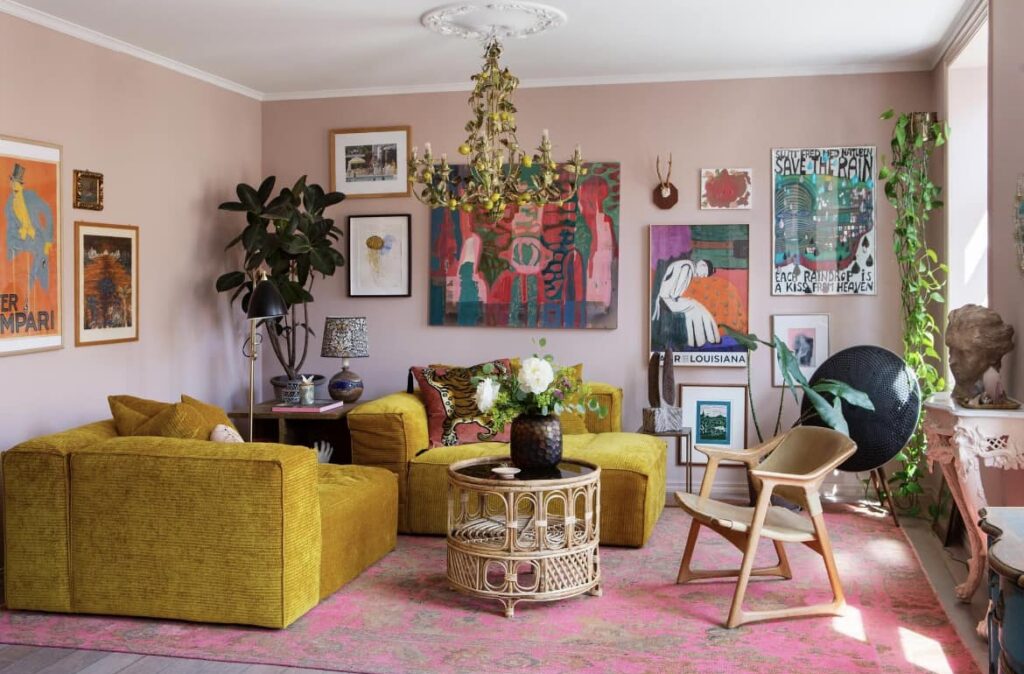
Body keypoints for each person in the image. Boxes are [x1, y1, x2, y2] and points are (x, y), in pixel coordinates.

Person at [5, 163, 54, 306]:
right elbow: (10, 228)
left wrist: (48, 239)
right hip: (23, 242)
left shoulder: (30, 197)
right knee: (18, 271)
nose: (14, 186)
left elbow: (48, 211)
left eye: (17, 183)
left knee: (40, 268)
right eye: (13, 182)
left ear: (22, 185)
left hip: (38, 239)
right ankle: (23, 297)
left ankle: (34, 296)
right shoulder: (9, 205)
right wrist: (15, 240)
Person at [653, 258, 720, 348]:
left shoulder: (687, 265)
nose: (702, 277)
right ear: (702, 265)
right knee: (696, 306)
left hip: (666, 299)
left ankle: (695, 341)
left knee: (693, 308)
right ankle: (707, 339)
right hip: (667, 300)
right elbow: (675, 293)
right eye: (704, 274)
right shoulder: (687, 267)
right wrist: (682, 299)